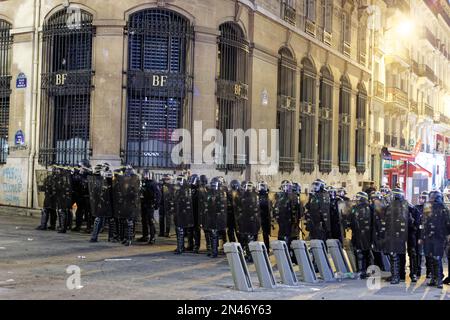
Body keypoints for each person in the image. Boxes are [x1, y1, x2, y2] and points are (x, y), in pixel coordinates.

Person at [383, 188, 415, 284]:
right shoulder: (395, 206)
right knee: (399, 255)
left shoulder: (405, 206)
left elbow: (411, 220)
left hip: (399, 234)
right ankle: (399, 275)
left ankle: (396, 276)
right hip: (396, 234)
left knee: (395, 255)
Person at [420, 190, 450, 289]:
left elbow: (448, 223)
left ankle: (439, 280)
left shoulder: (443, 209)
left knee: (437, 258)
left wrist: (447, 235)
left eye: (432, 197)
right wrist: (422, 236)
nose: (431, 199)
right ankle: (434, 278)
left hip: (439, 237)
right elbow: (424, 222)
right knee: (431, 258)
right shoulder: (428, 207)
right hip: (429, 236)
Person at [273, 180, 301, 262]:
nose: (285, 188)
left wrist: (295, 221)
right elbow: (276, 208)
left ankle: (293, 257)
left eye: (287, 186)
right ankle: (282, 256)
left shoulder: (294, 197)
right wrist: (275, 215)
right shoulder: (280, 197)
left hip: (291, 223)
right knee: (281, 238)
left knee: (292, 240)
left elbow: (297, 210)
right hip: (282, 222)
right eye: (284, 186)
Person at [349, 192, 373, 279]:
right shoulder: (355, 208)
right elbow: (351, 218)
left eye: (358, 197)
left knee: (364, 252)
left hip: (365, 234)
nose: (357, 199)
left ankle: (364, 271)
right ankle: (360, 270)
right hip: (356, 233)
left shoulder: (368, 208)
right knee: (358, 252)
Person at [89, 163, 115, 243]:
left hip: (110, 201)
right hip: (101, 202)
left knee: (110, 220)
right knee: (98, 219)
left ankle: (110, 237)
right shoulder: (98, 180)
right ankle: (94, 237)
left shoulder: (111, 180)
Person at [235, 181, 260, 262]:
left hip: (251, 221)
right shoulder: (241, 196)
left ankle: (251, 255)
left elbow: (257, 209)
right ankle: (244, 254)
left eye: (249, 186)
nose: (248, 188)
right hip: (244, 220)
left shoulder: (255, 196)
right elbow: (238, 208)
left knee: (250, 238)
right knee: (243, 238)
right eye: (247, 186)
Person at [203, 177, 228, 258]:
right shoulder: (209, 193)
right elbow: (207, 202)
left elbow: (222, 206)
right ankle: (214, 250)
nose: (213, 186)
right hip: (210, 216)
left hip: (218, 217)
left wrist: (218, 213)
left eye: (215, 185)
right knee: (212, 233)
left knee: (215, 233)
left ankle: (215, 252)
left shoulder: (221, 193)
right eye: (212, 185)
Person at [173, 175, 194, 254]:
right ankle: (180, 246)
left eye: (179, 181)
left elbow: (187, 203)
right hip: (178, 212)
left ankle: (180, 248)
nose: (178, 183)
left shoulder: (185, 191)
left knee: (180, 230)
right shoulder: (178, 191)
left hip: (182, 213)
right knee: (178, 230)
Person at [138, 170, 161, 245]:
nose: (144, 176)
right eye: (143, 174)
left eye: (145, 174)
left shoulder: (154, 183)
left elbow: (158, 195)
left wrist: (156, 204)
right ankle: (145, 236)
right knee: (144, 220)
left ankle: (152, 237)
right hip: (144, 203)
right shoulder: (144, 183)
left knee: (150, 221)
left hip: (150, 204)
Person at [415, 191, 432, 279]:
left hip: (427, 234)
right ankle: (418, 270)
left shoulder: (430, 209)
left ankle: (429, 271)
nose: (421, 199)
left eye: (423, 198)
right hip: (418, 233)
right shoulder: (416, 208)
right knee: (418, 253)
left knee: (428, 254)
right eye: (420, 197)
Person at [71, 160, 92, 232]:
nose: (79, 168)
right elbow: (74, 182)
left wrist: (85, 170)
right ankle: (77, 226)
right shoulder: (78, 175)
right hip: (80, 196)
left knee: (88, 213)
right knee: (79, 211)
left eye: (80, 166)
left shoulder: (89, 174)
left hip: (87, 196)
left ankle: (88, 228)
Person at [36, 166, 57, 231]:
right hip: (53, 198)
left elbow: (45, 187)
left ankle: (43, 225)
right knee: (52, 211)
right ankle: (52, 226)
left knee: (45, 210)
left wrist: (41, 187)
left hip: (49, 197)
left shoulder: (49, 179)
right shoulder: (57, 178)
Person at [186, 174, 201, 253]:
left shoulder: (199, 191)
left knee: (196, 229)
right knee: (189, 229)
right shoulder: (189, 190)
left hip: (196, 213)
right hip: (190, 212)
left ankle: (197, 245)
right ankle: (190, 244)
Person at [258, 181, 271, 250]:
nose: (262, 188)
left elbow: (268, 205)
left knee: (266, 234)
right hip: (258, 217)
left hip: (266, 218)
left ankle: (267, 248)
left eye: (263, 186)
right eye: (261, 186)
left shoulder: (268, 196)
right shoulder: (258, 195)